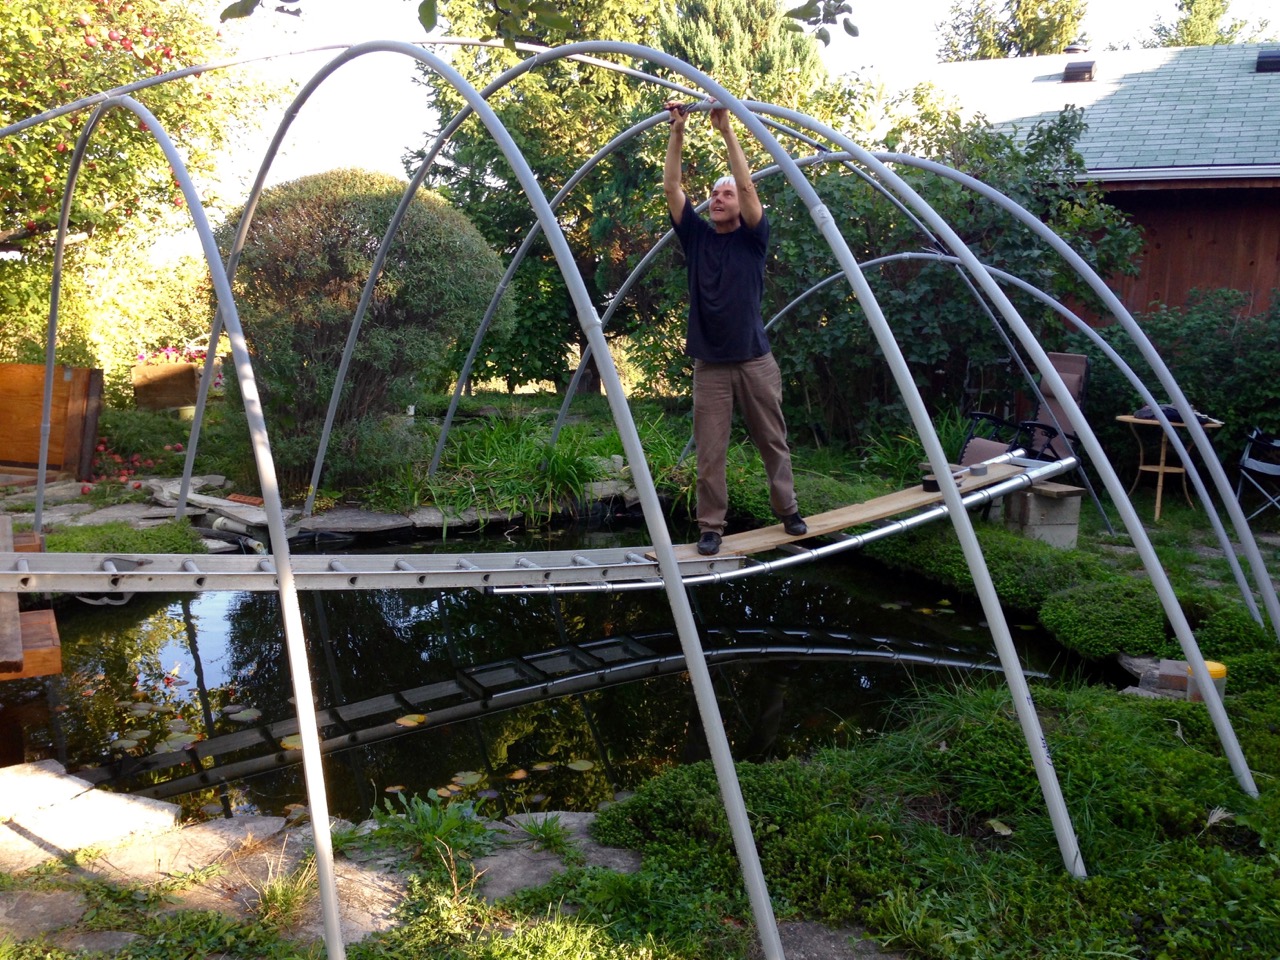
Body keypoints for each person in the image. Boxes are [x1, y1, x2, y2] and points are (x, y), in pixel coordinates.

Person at [663, 99, 806, 557]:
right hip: (711, 366)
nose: (717, 199)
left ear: (741, 207)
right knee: (710, 453)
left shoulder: (752, 240)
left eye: (725, 196)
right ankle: (711, 527)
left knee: (772, 440)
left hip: (754, 360)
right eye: (713, 195)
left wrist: (727, 132)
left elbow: (746, 183)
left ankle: (788, 511)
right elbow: (671, 187)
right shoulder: (698, 237)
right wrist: (678, 131)